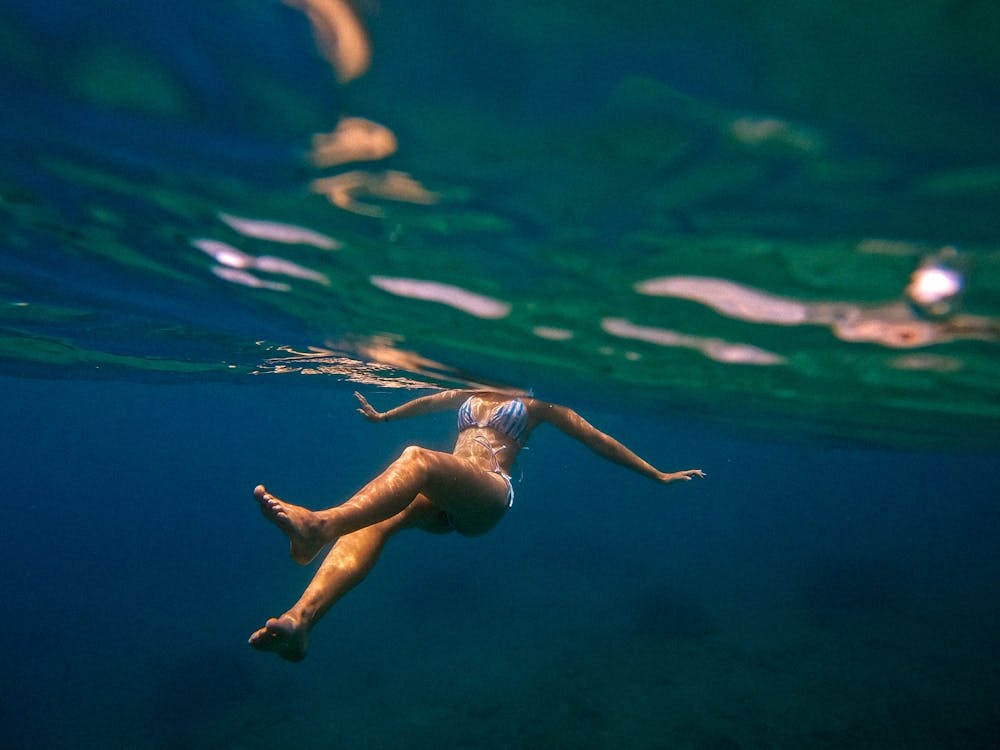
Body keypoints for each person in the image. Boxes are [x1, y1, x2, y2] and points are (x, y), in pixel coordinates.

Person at [249, 389, 705, 661]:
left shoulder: (538, 403)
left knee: (418, 459)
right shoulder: (467, 390)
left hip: (488, 493)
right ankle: (300, 620)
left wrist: (657, 474)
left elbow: (596, 439)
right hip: (447, 496)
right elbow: (428, 402)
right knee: (372, 521)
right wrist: (385, 416)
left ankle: (321, 525)